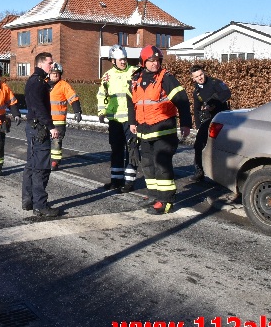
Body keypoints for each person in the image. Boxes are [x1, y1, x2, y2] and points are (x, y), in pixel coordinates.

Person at [129, 45, 192, 214]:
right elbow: (132, 103)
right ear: (143, 62)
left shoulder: (166, 78)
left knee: (161, 165)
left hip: (164, 131)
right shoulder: (136, 79)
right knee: (148, 165)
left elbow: (182, 100)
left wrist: (186, 123)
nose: (154, 64)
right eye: (151, 61)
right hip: (144, 130)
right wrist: (132, 122)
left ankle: (166, 201)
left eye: (157, 60)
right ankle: (155, 196)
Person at [97, 44, 140, 192]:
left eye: (124, 59)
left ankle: (129, 182)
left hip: (131, 119)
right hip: (114, 119)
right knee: (116, 149)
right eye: (119, 59)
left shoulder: (135, 72)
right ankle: (116, 180)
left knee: (132, 148)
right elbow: (102, 94)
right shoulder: (107, 75)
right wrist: (101, 111)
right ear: (113, 61)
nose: (123, 62)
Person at [22, 52, 61, 217]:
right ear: (40, 64)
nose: (52, 66)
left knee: (31, 165)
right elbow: (39, 107)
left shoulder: (35, 81)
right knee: (41, 167)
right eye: (49, 63)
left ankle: (28, 200)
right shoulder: (38, 82)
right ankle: (40, 205)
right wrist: (51, 126)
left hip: (33, 127)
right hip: (39, 129)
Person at [190, 65, 231, 183]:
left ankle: (226, 173)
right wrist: (198, 127)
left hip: (222, 117)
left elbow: (226, 93)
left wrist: (212, 102)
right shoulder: (196, 92)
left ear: (204, 73)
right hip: (209, 119)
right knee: (198, 144)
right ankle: (199, 171)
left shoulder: (214, 83)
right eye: (197, 77)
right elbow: (197, 110)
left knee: (224, 145)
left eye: (201, 75)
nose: (200, 78)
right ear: (193, 79)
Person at [47, 62, 82, 171]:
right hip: (45, 119)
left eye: (57, 73)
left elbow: (73, 98)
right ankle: (45, 159)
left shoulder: (64, 85)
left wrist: (77, 111)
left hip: (58, 120)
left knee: (56, 141)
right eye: (53, 73)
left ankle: (55, 162)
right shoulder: (44, 84)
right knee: (43, 141)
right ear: (49, 74)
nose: (55, 75)